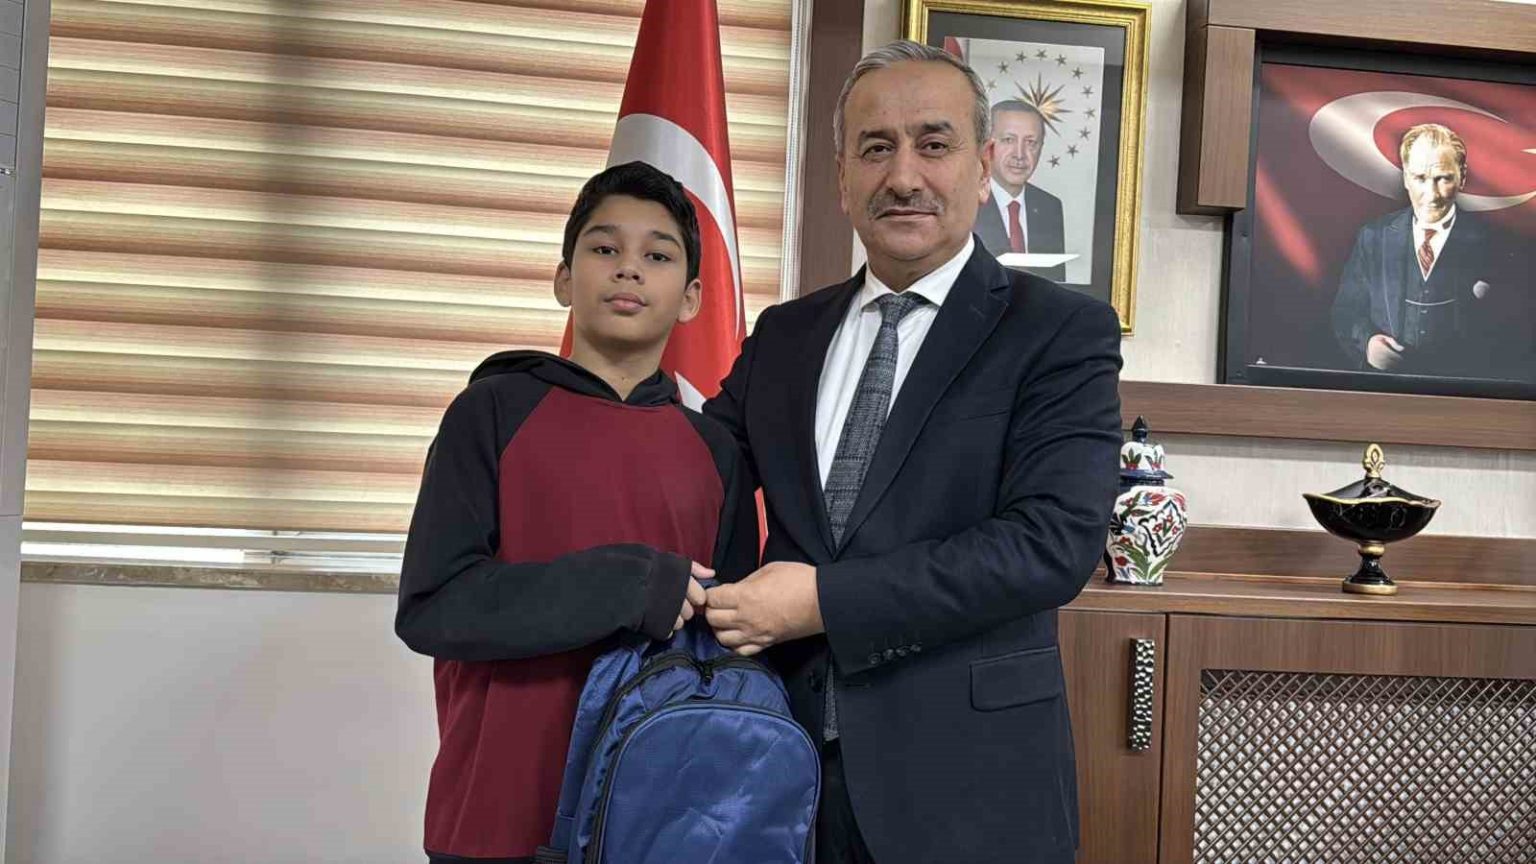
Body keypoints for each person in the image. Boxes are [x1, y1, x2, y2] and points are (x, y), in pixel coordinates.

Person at [702, 41, 1122, 864]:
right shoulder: (784, 335)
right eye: (875, 148)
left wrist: (823, 600)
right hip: (777, 778)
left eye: (933, 144)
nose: (903, 176)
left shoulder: (1059, 331)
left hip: (968, 792)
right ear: (841, 178)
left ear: (984, 167)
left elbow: (1050, 545)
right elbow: (692, 478)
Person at [394, 161, 759, 864]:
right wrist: (623, 587)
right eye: (604, 248)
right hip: (498, 812)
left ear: (691, 298)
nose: (629, 268)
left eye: (657, 255)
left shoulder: (716, 450)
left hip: (660, 816)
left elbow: (731, 642)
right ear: (564, 278)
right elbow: (432, 606)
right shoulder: (490, 413)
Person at [1331, 123, 1525, 380]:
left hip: (1464, 393)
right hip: (1385, 390)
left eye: (1443, 178)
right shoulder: (1373, 237)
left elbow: (1516, 332)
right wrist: (1367, 343)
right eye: (1420, 178)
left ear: (1462, 177)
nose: (1431, 195)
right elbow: (1346, 311)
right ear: (1405, 178)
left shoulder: (1495, 243)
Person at [974, 99, 1067, 282]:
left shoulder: (1049, 206)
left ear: (1041, 148)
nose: (1019, 155)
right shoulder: (967, 201)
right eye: (1008, 140)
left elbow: (1055, 283)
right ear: (986, 145)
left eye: (1031, 142)